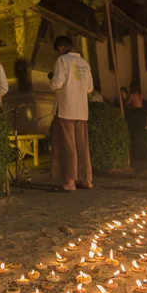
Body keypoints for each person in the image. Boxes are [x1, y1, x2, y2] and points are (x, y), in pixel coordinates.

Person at [49, 35, 94, 192]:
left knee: (68, 145)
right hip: (81, 110)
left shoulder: (62, 61)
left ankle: (70, 181)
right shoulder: (84, 63)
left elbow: (57, 83)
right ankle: (86, 179)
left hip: (66, 108)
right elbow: (89, 88)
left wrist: (52, 80)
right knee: (82, 145)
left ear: (60, 48)